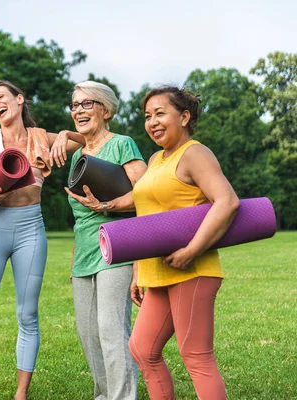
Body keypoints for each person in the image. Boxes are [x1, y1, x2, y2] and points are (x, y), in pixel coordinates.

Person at [0, 80, 84, 400]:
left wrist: (66, 134)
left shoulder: (43, 139)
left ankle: (21, 393)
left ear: (19, 99)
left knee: (27, 315)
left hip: (30, 229)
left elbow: (86, 142)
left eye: (1, 96)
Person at [129, 86, 239, 400]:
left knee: (196, 355)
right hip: (159, 272)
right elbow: (145, 215)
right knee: (142, 348)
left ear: (185, 116)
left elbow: (227, 201)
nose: (152, 122)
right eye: (148, 116)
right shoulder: (154, 159)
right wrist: (139, 270)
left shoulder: (195, 153)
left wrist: (193, 250)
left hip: (193, 269)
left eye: (160, 113)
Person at [53, 81, 146, 400]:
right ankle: (104, 395)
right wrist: (75, 259)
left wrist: (108, 206)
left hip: (118, 247)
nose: (78, 110)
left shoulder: (122, 144)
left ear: (105, 110)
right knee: (89, 334)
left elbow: (148, 195)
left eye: (86, 104)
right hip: (84, 256)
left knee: (110, 329)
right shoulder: (78, 154)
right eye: (74, 105)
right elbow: (82, 218)